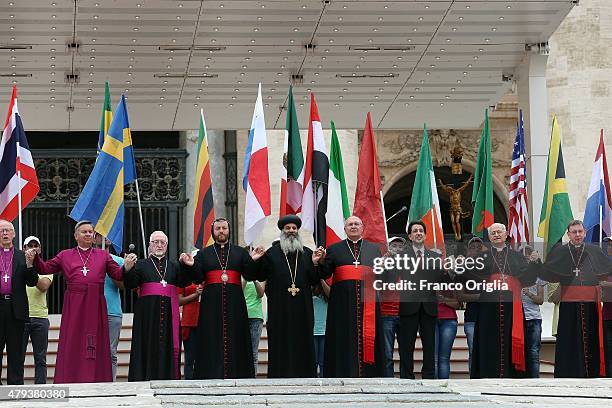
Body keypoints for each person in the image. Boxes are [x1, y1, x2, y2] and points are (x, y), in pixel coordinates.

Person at [27, 220, 123, 384]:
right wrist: (34, 258)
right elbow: (45, 268)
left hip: (96, 302)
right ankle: (71, 378)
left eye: (90, 232)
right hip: (75, 303)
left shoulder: (103, 255)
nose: (88, 234)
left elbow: (118, 275)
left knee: (96, 342)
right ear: (76, 235)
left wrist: (127, 266)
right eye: (84, 231)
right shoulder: (65, 255)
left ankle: (97, 379)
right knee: (73, 340)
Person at [179, 218, 260, 379]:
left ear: (229, 230)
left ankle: (238, 375)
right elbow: (197, 278)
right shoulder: (204, 254)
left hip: (235, 304)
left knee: (236, 339)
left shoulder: (240, 252)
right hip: (211, 306)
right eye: (218, 228)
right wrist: (190, 264)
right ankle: (210, 374)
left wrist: (254, 260)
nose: (221, 231)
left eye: (224, 228)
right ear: (213, 231)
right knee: (210, 339)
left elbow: (250, 274)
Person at [252, 215, 325, 378]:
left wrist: (315, 263)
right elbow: (259, 274)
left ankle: (305, 376)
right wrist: (256, 260)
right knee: (280, 342)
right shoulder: (271, 254)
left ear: (297, 231)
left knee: (303, 343)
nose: (291, 231)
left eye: (294, 228)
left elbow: (314, 281)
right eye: (288, 228)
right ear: (282, 231)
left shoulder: (307, 253)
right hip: (279, 309)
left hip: (303, 310)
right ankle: (279, 376)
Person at [538, 220, 612, 378]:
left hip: (591, 304)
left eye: (580, 231)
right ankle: (569, 373)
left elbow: (606, 273)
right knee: (569, 338)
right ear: (568, 234)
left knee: (592, 337)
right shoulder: (559, 252)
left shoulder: (594, 251)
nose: (577, 235)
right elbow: (547, 273)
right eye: (574, 232)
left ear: (584, 233)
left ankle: (592, 373)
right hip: (568, 304)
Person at [467, 223, 539, 379]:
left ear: (506, 235)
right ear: (489, 237)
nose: (497, 234)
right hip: (488, 307)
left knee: (510, 340)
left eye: (499, 232)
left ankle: (513, 376)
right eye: (493, 233)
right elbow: (471, 280)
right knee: (488, 341)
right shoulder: (481, 258)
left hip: (511, 307)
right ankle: (487, 375)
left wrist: (533, 264)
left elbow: (527, 279)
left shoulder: (517, 256)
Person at [319, 215, 385, 377]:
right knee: (342, 337)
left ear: (362, 228)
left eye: (357, 224)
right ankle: (342, 372)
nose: (353, 226)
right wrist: (320, 261)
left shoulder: (374, 249)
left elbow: (381, 279)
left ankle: (371, 374)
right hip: (342, 305)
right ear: (345, 229)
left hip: (368, 302)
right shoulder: (334, 249)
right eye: (350, 224)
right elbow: (324, 273)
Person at [123, 231, 189, 381]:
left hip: (169, 316)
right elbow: (130, 283)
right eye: (155, 242)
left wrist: (186, 265)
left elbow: (184, 282)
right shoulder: (140, 265)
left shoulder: (174, 266)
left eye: (162, 242)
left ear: (166, 246)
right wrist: (127, 268)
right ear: (150, 246)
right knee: (145, 346)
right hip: (147, 315)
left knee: (168, 346)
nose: (159, 245)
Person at [396, 221, 444, 379]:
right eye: (415, 231)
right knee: (406, 345)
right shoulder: (400, 257)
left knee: (429, 345)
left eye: (421, 231)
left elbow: (442, 281)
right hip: (408, 307)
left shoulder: (435, 257)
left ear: (425, 235)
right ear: (409, 236)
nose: (418, 233)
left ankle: (429, 378)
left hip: (429, 307)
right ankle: (406, 379)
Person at [0, 220, 38, 385]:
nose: (5, 233)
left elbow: (32, 282)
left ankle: (15, 385)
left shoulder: (23, 256)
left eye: (8, 230)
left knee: (16, 351)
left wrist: (30, 265)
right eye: (2, 231)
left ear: (14, 234)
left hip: (16, 309)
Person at [22, 236, 52, 384]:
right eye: (30, 245)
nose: (33, 248)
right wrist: (26, 265)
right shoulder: (17, 266)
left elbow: (43, 286)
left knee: (40, 358)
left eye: (36, 245)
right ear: (24, 248)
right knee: (17, 357)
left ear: (39, 249)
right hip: (21, 317)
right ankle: (16, 387)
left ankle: (41, 388)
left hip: (40, 317)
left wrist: (30, 268)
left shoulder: (46, 268)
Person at [95, 233, 124, 382]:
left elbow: (124, 285)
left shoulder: (119, 260)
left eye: (108, 233)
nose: (105, 237)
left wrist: (111, 268)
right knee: (92, 350)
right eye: (100, 234)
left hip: (112, 311)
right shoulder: (89, 259)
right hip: (92, 312)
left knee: (111, 352)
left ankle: (110, 383)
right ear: (94, 238)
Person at [457, 237, 483, 376]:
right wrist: (480, 297)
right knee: (473, 350)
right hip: (472, 318)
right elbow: (459, 296)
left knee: (487, 350)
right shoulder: (462, 270)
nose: (476, 250)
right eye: (473, 247)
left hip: (487, 318)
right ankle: (474, 379)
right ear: (468, 251)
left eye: (479, 248)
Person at [379, 236, 405, 378]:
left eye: (400, 246)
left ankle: (406, 382)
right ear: (388, 247)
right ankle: (389, 381)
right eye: (394, 245)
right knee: (387, 354)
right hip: (387, 314)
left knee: (406, 352)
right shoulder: (383, 263)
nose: (397, 248)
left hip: (405, 314)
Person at [521, 246, 546, 378]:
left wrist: (529, 294)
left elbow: (541, 300)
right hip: (520, 318)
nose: (527, 259)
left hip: (534, 318)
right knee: (521, 350)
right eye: (525, 257)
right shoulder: (518, 275)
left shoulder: (538, 278)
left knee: (534, 351)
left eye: (529, 256)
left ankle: (535, 380)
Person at [177, 282, 202, 380]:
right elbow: (179, 301)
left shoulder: (204, 276)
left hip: (205, 321)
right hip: (189, 322)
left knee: (203, 357)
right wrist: (195, 295)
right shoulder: (183, 278)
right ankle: (189, 383)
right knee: (190, 357)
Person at [243, 279, 265, 377]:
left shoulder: (261, 276)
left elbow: (261, 294)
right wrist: (245, 279)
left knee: (253, 351)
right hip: (241, 314)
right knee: (241, 349)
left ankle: (252, 377)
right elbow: (239, 291)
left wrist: (255, 280)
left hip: (256, 316)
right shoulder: (241, 275)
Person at [312, 279, 330, 377]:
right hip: (313, 331)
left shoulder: (326, 292)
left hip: (324, 330)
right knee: (313, 362)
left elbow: (330, 294)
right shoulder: (310, 290)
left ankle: (324, 380)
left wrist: (322, 280)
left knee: (323, 362)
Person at [601, 236, 612, 377]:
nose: (609, 248)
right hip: (607, 313)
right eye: (608, 245)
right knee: (608, 349)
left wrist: (606, 285)